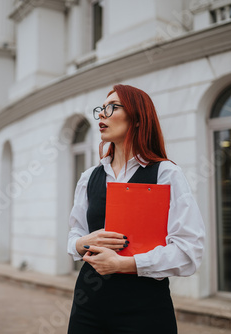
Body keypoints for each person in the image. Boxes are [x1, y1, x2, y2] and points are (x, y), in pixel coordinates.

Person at [67, 84, 205, 333]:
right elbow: (75, 234)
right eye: (101, 108)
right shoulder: (89, 177)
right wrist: (81, 243)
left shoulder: (166, 173)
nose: (101, 114)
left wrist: (124, 264)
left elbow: (189, 252)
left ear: (139, 118)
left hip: (144, 307)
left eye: (112, 107)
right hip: (88, 305)